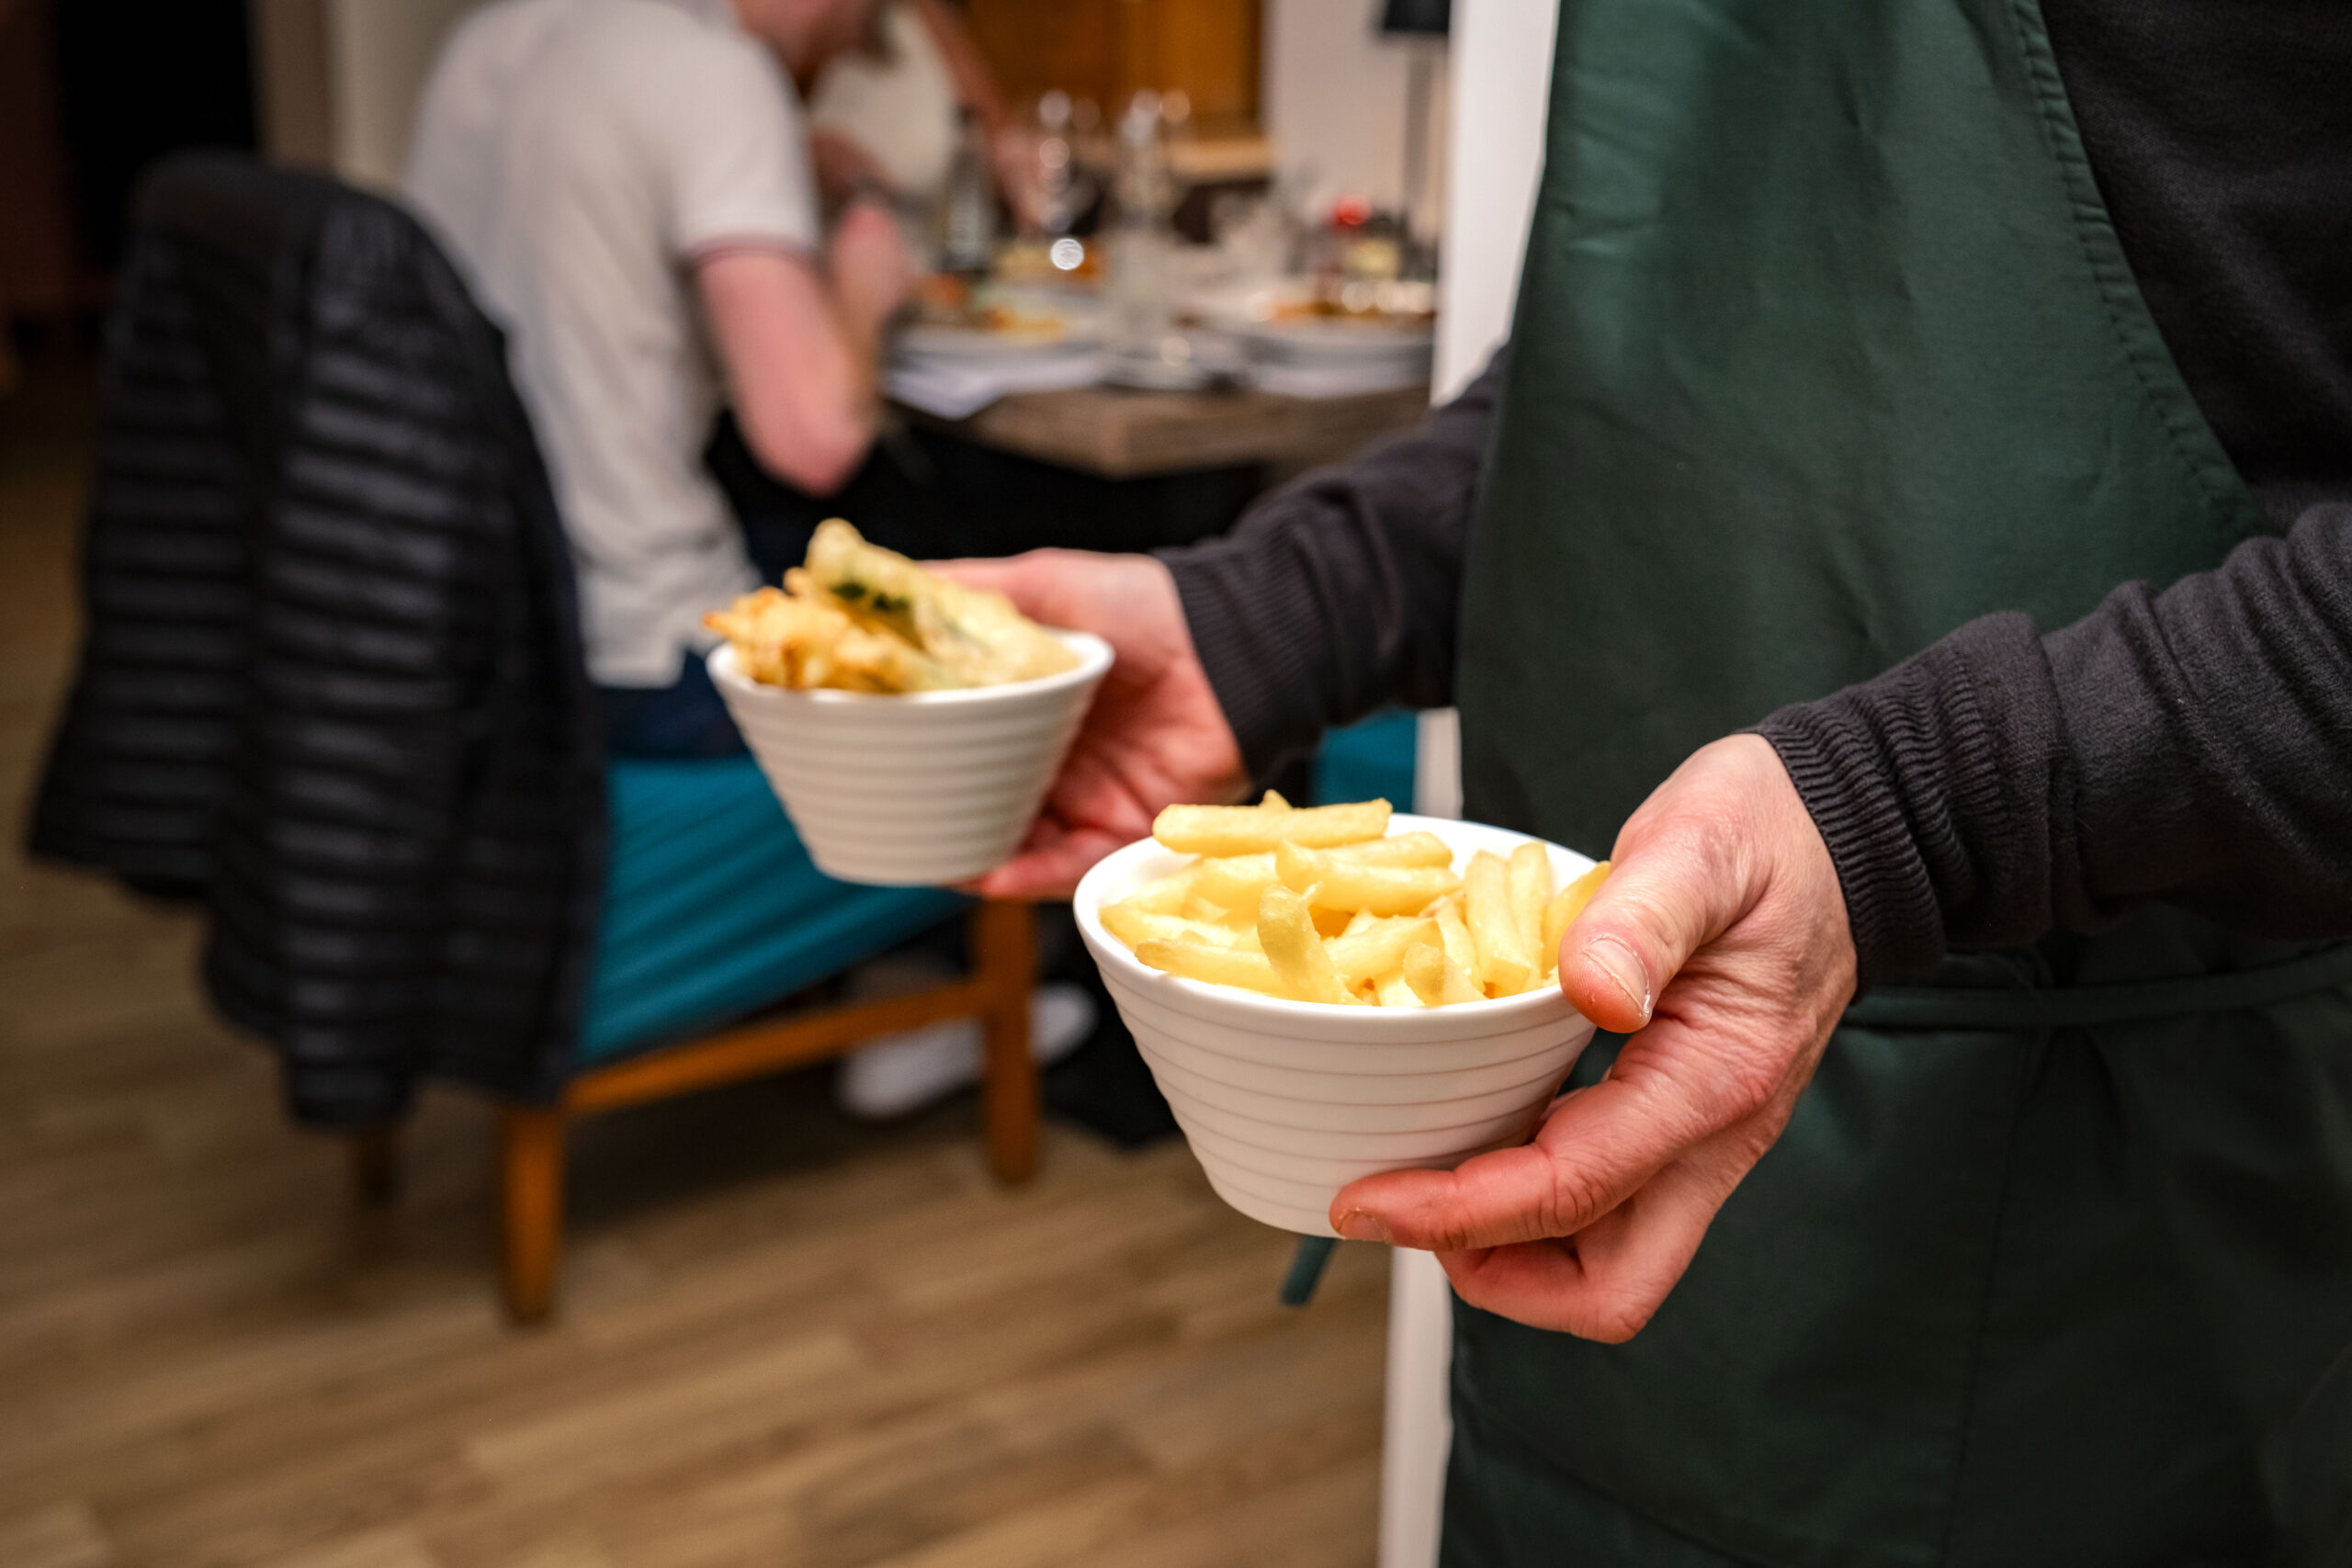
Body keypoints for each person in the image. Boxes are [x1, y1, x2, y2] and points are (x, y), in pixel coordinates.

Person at [946, 1, 2352, 1561]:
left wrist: (1910, 806)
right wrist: (1272, 614)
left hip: (2098, 1226)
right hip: (1588, 1176)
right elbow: (1644, 370)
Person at [407, 0, 908, 759]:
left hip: (495, 620)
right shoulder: (717, 72)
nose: (857, 37)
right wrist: (863, 290)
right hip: (651, 649)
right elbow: (815, 439)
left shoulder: (501, 38)